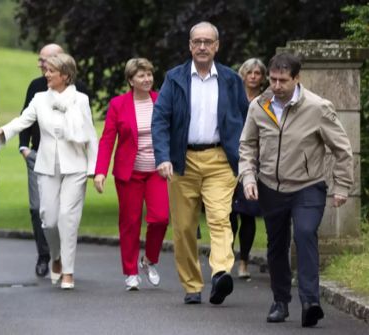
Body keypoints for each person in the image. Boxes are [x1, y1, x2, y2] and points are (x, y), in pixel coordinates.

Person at [239, 53, 353, 327]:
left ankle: (310, 301)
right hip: (270, 186)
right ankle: (280, 302)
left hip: (307, 186)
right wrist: (248, 178)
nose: (276, 86)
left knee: (304, 234)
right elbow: (247, 145)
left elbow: (342, 149)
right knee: (276, 244)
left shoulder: (318, 107)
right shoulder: (259, 106)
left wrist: (342, 186)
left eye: (283, 81)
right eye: (273, 79)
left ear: (296, 79)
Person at [151, 21, 249, 305]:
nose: (203, 46)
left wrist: (246, 158)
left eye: (208, 41)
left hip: (220, 159)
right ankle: (192, 284)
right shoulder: (175, 78)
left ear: (217, 46)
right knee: (183, 227)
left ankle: (220, 273)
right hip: (183, 162)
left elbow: (246, 121)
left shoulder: (231, 80)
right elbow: (160, 119)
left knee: (220, 218)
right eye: (197, 42)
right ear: (190, 46)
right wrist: (163, 157)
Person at [0, 53, 98, 290]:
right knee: (49, 219)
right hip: (47, 166)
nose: (46, 74)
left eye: (51, 71)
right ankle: (57, 257)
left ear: (65, 75)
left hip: (75, 167)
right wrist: (3, 132)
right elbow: (24, 120)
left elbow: (91, 135)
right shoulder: (40, 98)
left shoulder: (80, 100)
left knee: (67, 218)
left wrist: (95, 170)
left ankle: (68, 272)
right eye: (46, 70)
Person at [94, 58, 169, 291]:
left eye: (149, 74)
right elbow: (107, 139)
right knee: (130, 222)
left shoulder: (161, 100)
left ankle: (149, 260)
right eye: (141, 76)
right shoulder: (118, 104)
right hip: (130, 173)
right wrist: (100, 172)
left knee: (161, 218)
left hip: (157, 170)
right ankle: (130, 272)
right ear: (130, 80)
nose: (147, 79)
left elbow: (172, 132)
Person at [19, 43, 92, 277]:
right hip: (39, 156)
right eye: (40, 61)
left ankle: (63, 263)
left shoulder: (79, 92)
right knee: (41, 210)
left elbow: (87, 130)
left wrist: (91, 165)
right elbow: (25, 117)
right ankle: (46, 255)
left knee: (65, 215)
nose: (42, 66)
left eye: (46, 61)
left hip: (72, 161)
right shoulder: (36, 87)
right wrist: (23, 147)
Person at [231, 58, 267, 279]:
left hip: (256, 160)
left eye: (257, 73)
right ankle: (225, 258)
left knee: (248, 213)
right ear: (242, 74)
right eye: (249, 72)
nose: (253, 76)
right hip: (230, 158)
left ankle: (243, 261)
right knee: (228, 213)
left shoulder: (267, 100)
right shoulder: (232, 98)